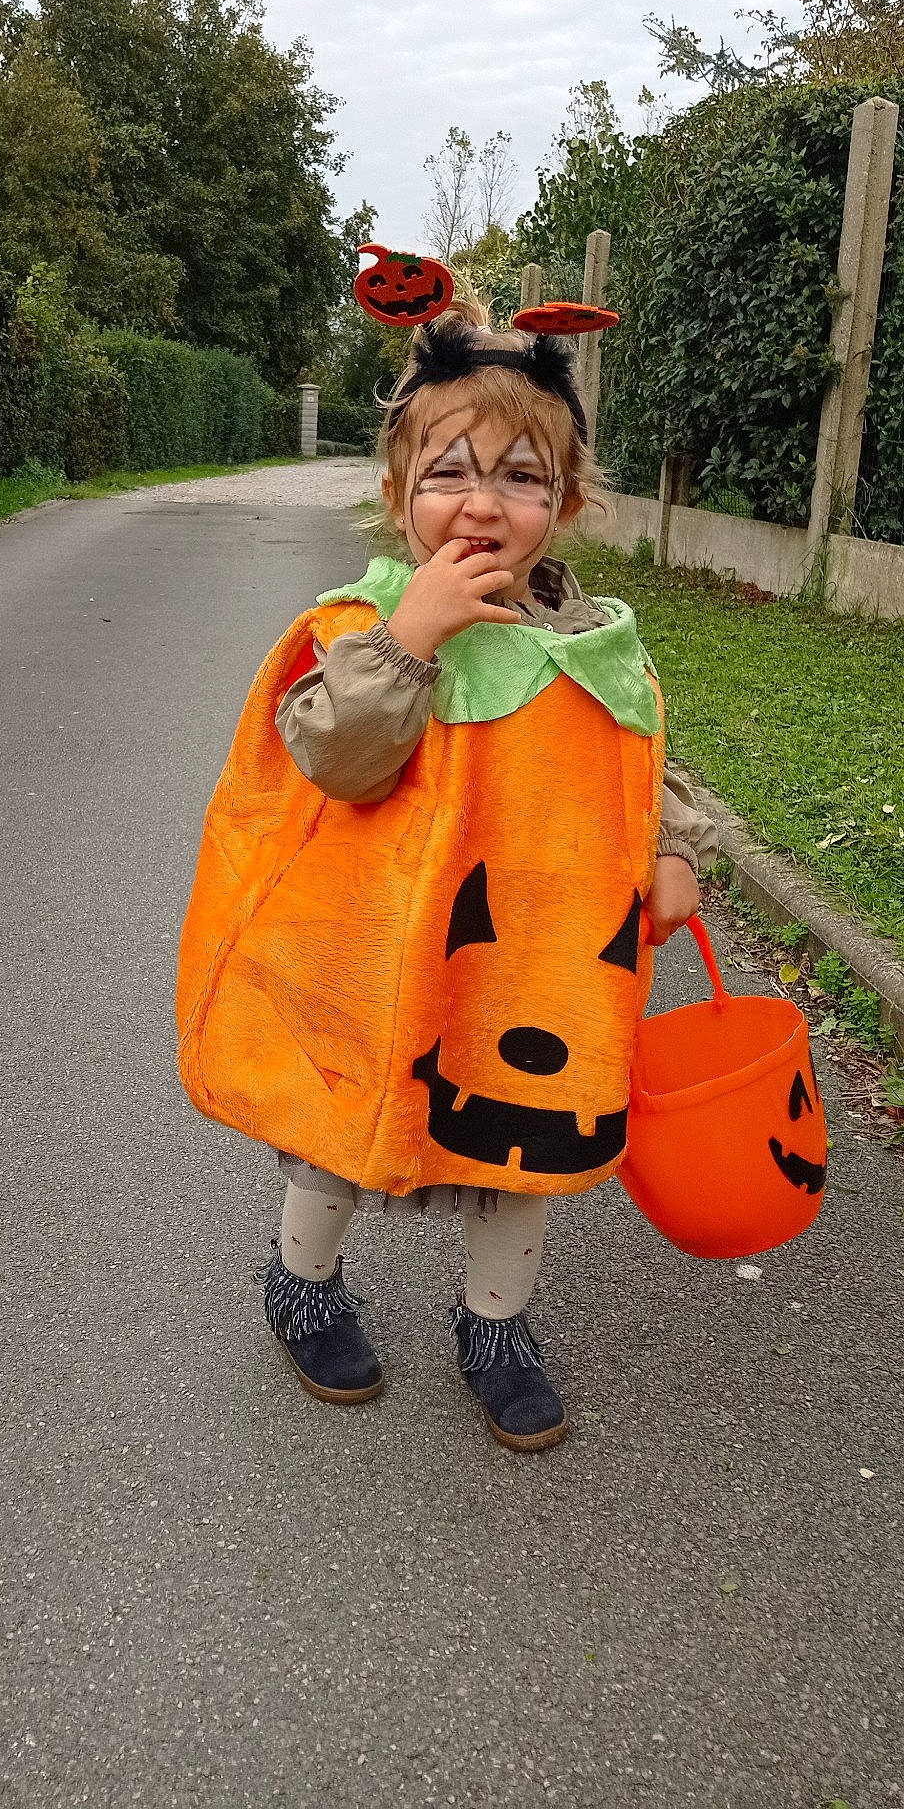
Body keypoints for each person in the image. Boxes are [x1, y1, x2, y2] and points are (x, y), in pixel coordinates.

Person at [176, 288, 718, 1452]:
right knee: (339, 1131)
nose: (484, 501)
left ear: (564, 503)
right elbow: (337, 753)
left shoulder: (590, 638)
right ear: (396, 493)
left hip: (527, 962)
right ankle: (304, 1281)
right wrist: (412, 637)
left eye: (522, 476)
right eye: (449, 471)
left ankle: (498, 1327)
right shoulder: (362, 622)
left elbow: (637, 751)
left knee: (521, 1138)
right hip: (376, 959)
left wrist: (673, 844)